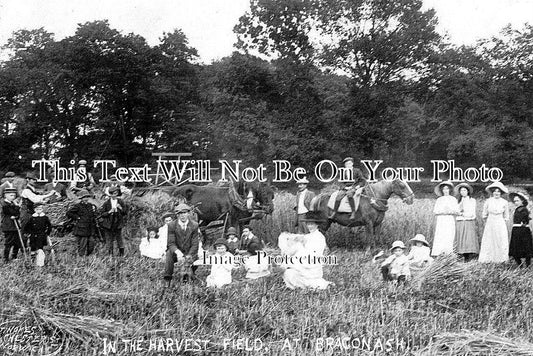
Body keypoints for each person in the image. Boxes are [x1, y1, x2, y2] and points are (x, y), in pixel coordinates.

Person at [281, 211, 333, 290]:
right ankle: (307, 284)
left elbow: (313, 255)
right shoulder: (308, 236)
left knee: (290, 268)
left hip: (312, 266)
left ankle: (314, 284)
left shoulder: (320, 237)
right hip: (305, 263)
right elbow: (300, 239)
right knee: (289, 273)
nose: (310, 226)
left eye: (312, 224)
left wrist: (297, 257)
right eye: (308, 224)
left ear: (317, 224)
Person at [163, 203, 199, 284]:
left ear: (188, 213)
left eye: (184, 213)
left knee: (196, 255)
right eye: (180, 214)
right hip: (177, 252)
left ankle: (190, 274)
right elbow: (171, 243)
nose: (182, 216)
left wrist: (189, 255)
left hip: (188, 251)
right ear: (177, 215)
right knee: (169, 253)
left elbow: (195, 243)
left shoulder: (194, 225)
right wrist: (178, 253)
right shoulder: (172, 225)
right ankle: (167, 277)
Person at [479, 181, 510, 263]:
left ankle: (501, 259)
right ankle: (488, 258)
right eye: (495, 191)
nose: (496, 193)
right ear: (492, 192)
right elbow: (484, 214)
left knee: (500, 238)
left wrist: (503, 223)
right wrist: (486, 222)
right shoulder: (488, 201)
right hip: (490, 221)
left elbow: (506, 216)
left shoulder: (504, 202)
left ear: (501, 192)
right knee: (489, 238)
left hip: (500, 222)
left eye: (498, 191)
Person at [431, 181, 460, 257]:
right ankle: (439, 254)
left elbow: (457, 211)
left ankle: (448, 254)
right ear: (442, 190)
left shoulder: (453, 199)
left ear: (450, 190)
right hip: (441, 219)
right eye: (444, 189)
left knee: (449, 236)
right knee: (440, 235)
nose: (445, 190)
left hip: (449, 219)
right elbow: (435, 211)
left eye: (447, 189)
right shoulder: (439, 200)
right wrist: (443, 211)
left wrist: (449, 210)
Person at [67, 189, 98, 256]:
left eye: (87, 197)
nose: (86, 199)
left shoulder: (91, 205)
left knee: (91, 243)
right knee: (82, 244)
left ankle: (88, 255)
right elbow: (69, 213)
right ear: (81, 198)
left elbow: (94, 214)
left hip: (90, 227)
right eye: (84, 197)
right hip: (82, 227)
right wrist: (77, 217)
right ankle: (81, 257)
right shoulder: (78, 206)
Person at [98, 186, 128, 256]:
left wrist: (120, 207)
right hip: (109, 223)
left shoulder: (121, 202)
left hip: (118, 222)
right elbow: (102, 214)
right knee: (109, 239)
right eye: (113, 193)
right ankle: (110, 255)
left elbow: (125, 212)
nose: (115, 195)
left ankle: (121, 255)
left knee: (119, 238)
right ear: (110, 194)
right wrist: (109, 212)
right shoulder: (106, 203)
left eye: (116, 193)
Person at [454, 182, 479, 262]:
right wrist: (460, 212)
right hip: (460, 221)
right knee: (460, 237)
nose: (463, 192)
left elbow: (471, 212)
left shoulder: (472, 200)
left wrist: (463, 213)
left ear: (468, 191)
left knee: (468, 238)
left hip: (468, 220)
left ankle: (468, 256)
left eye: (464, 190)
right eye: (461, 191)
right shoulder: (458, 201)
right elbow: (456, 211)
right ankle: (461, 254)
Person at [24, 203, 52, 268]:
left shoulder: (45, 217)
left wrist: (47, 233)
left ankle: (40, 262)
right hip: (33, 235)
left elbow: (49, 226)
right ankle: (32, 260)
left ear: (42, 209)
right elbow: (27, 226)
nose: (39, 210)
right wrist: (28, 233)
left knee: (40, 247)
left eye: (40, 209)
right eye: (37, 209)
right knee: (33, 247)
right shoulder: (32, 218)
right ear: (34, 210)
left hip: (41, 235)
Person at [508, 192, 532, 267]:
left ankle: (527, 264)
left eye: (517, 201)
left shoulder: (523, 209)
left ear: (522, 201)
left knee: (525, 247)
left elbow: (525, 218)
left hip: (522, 230)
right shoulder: (517, 209)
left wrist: (524, 221)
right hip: (516, 229)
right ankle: (520, 264)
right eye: (514, 201)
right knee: (516, 248)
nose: (515, 203)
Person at [1, 187, 21, 262]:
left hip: (15, 226)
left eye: (14, 195)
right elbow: (10, 212)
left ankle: (14, 256)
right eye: (11, 195)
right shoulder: (4, 204)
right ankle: (5, 258)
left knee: (17, 242)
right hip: (8, 226)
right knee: (8, 242)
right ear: (5, 195)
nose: (13, 197)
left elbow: (17, 214)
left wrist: (16, 215)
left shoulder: (12, 203)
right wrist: (17, 207)